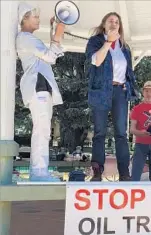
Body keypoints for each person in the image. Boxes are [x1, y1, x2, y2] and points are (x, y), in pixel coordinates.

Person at [85, 12, 138, 181]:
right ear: (104, 24)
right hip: (101, 90)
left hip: (119, 91)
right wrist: (108, 42)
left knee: (121, 133)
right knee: (99, 132)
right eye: (110, 21)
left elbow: (129, 72)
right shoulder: (95, 42)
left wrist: (128, 86)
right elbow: (96, 61)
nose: (114, 24)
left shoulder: (125, 48)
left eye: (117, 21)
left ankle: (124, 173)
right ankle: (97, 171)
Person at [16, 2, 65, 181]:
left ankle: (38, 171)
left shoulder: (27, 38)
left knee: (42, 130)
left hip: (40, 88)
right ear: (25, 19)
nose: (38, 20)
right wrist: (58, 34)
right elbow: (51, 56)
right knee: (42, 130)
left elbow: (50, 53)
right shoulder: (26, 38)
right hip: (39, 87)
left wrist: (55, 32)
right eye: (35, 17)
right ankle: (38, 172)